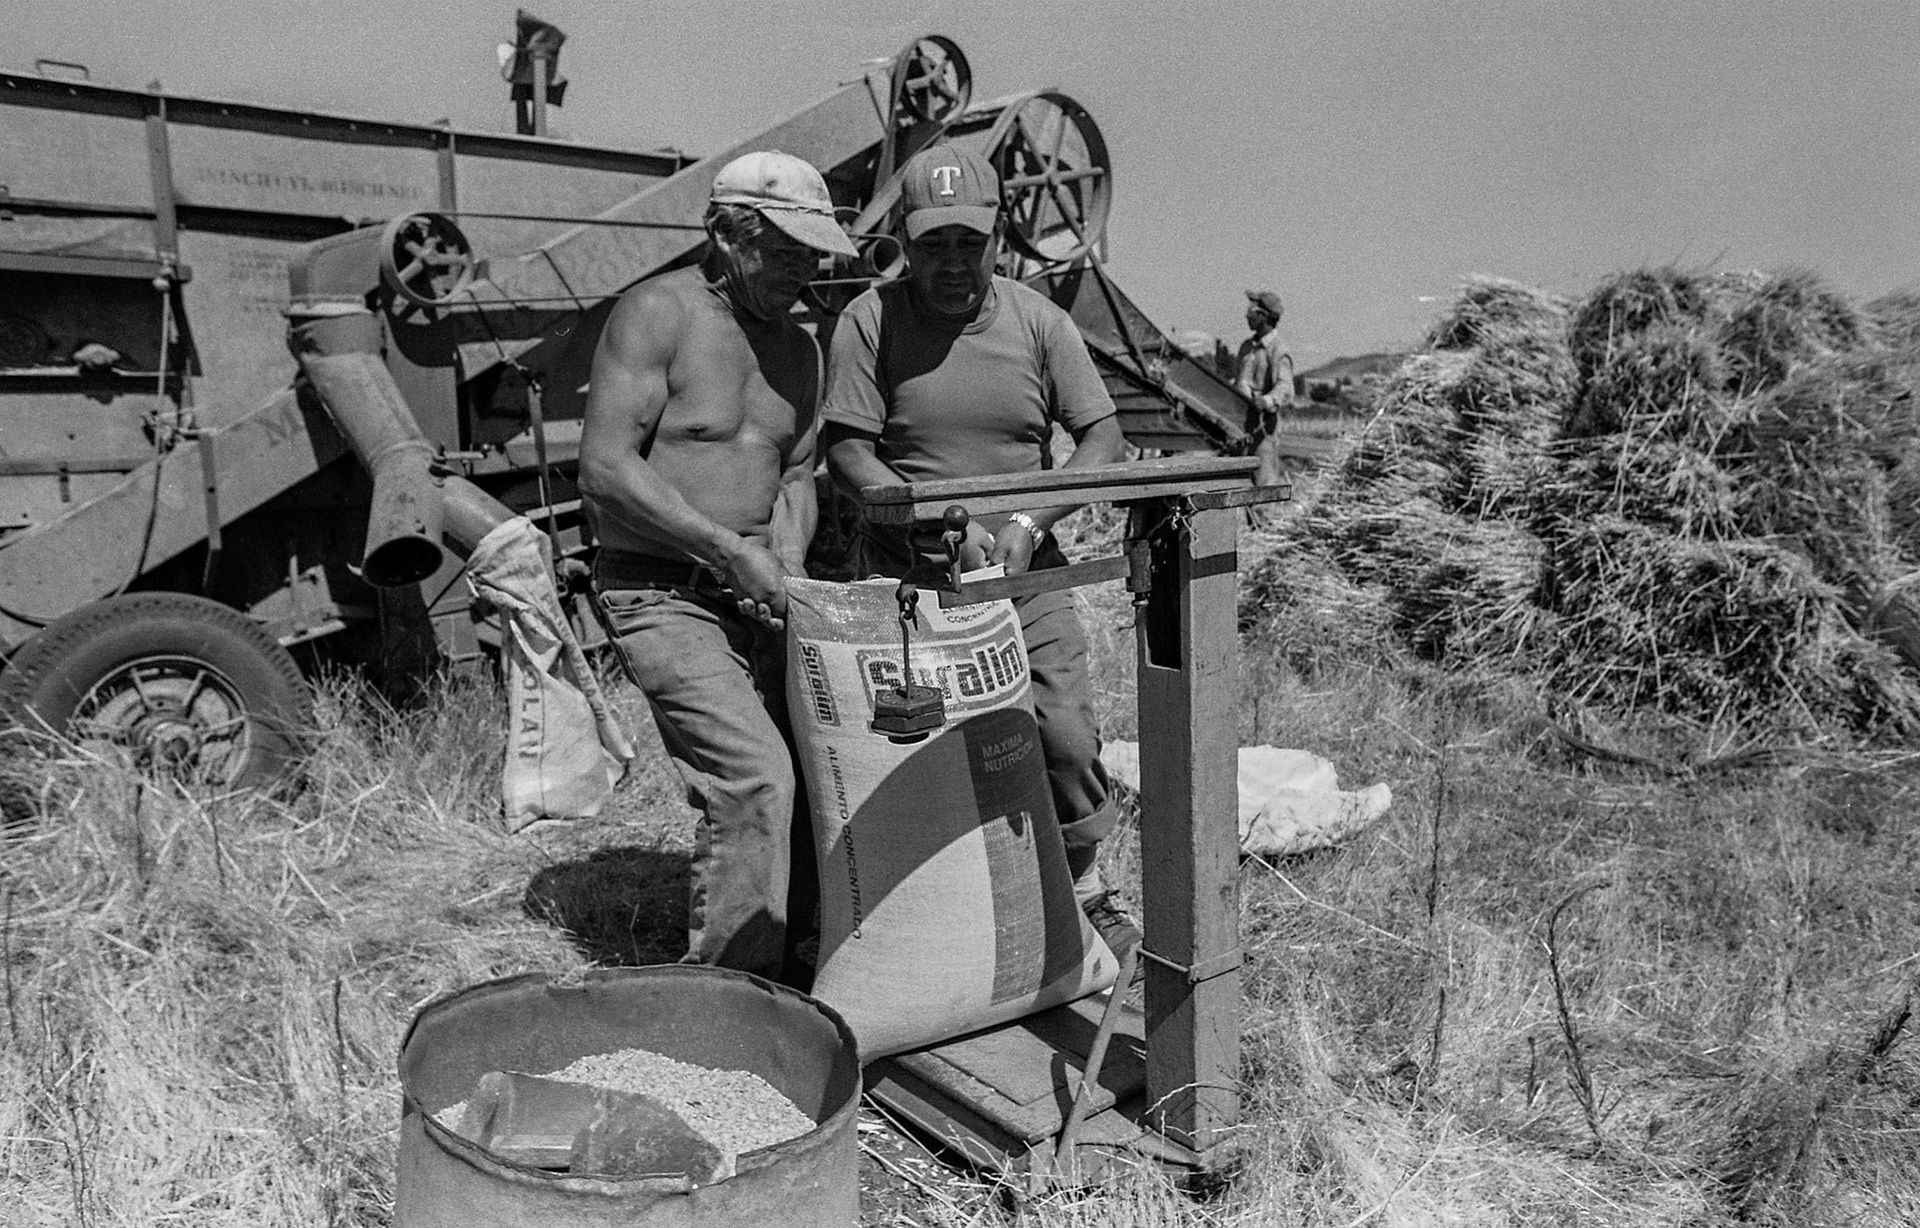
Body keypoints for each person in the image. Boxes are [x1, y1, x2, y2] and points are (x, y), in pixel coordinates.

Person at [819, 143, 1142, 961]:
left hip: (1025, 571)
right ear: (906, 242)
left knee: (1065, 737)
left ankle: (1082, 890)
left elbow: (1103, 439)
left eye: (969, 243)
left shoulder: (1039, 322)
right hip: (908, 580)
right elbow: (848, 449)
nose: (953, 263)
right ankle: (936, 917)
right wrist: (912, 508)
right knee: (916, 750)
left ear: (997, 237)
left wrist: (1028, 525)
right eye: (934, 245)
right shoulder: (871, 319)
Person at [578, 149, 857, 985]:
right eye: (786, 250)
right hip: (660, 593)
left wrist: (788, 566)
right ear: (728, 236)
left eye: (814, 256)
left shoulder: (802, 352)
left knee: (825, 765)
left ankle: (803, 964)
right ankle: (727, 1002)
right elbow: (605, 468)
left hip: (760, 595)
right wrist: (732, 552)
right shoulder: (657, 313)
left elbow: (797, 477)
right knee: (755, 779)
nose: (803, 272)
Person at [1235, 288, 1295, 487]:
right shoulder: (1247, 347)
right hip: (1239, 428)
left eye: (1252, 311)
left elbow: (1285, 387)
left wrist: (1267, 400)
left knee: (1264, 485)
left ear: (1264, 316)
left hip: (1262, 431)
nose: (1247, 315)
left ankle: (1266, 517)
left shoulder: (1278, 349)